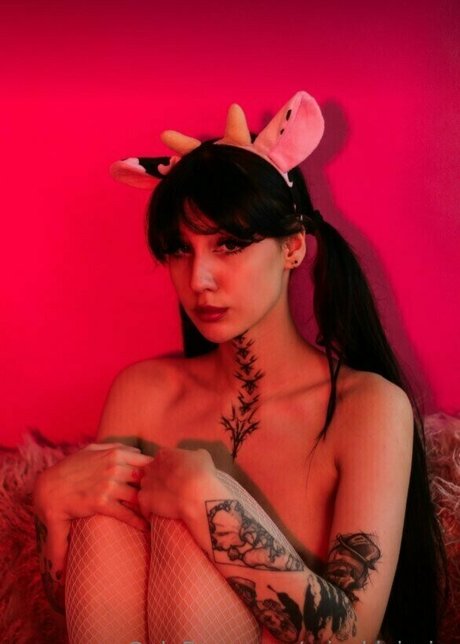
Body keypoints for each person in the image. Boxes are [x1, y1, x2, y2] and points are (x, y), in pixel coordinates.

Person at [33, 91, 446, 643]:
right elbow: (94, 595)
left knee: (185, 536)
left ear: (293, 248)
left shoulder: (367, 407)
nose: (198, 279)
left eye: (228, 244)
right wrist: (51, 506)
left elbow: (351, 635)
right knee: (110, 526)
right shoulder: (143, 392)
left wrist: (209, 503)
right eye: (180, 249)